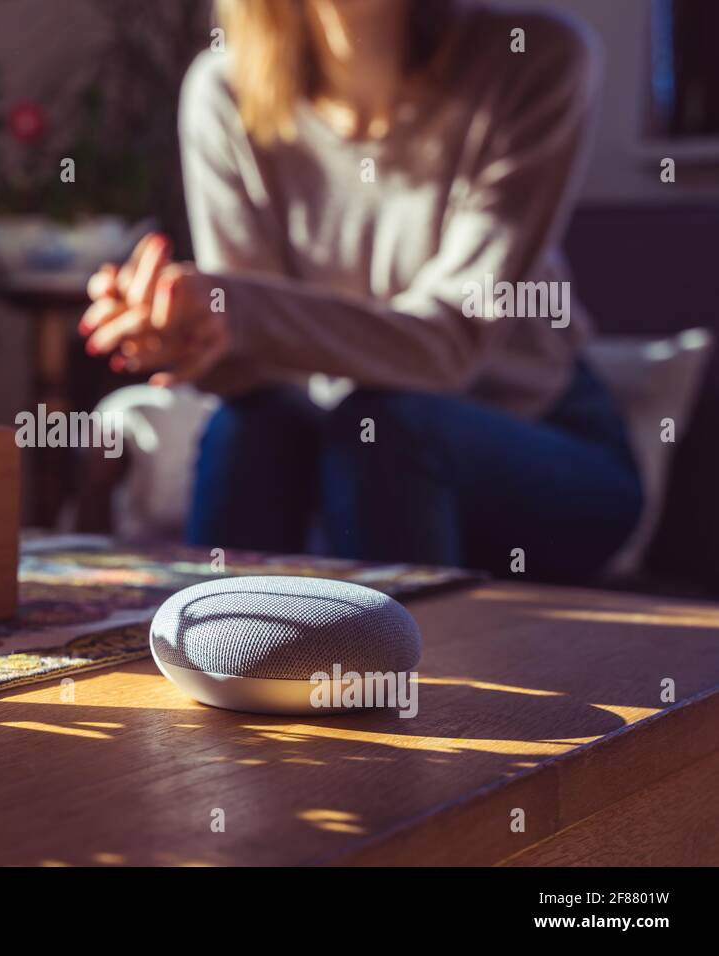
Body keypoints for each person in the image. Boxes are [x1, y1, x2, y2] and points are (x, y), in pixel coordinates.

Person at [78, 0, 642, 579]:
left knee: (384, 427)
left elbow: (449, 342)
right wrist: (190, 333)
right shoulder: (224, 90)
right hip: (343, 445)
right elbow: (256, 365)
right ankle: (213, 654)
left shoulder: (534, 57)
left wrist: (237, 308)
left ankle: (394, 664)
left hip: (548, 445)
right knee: (250, 425)